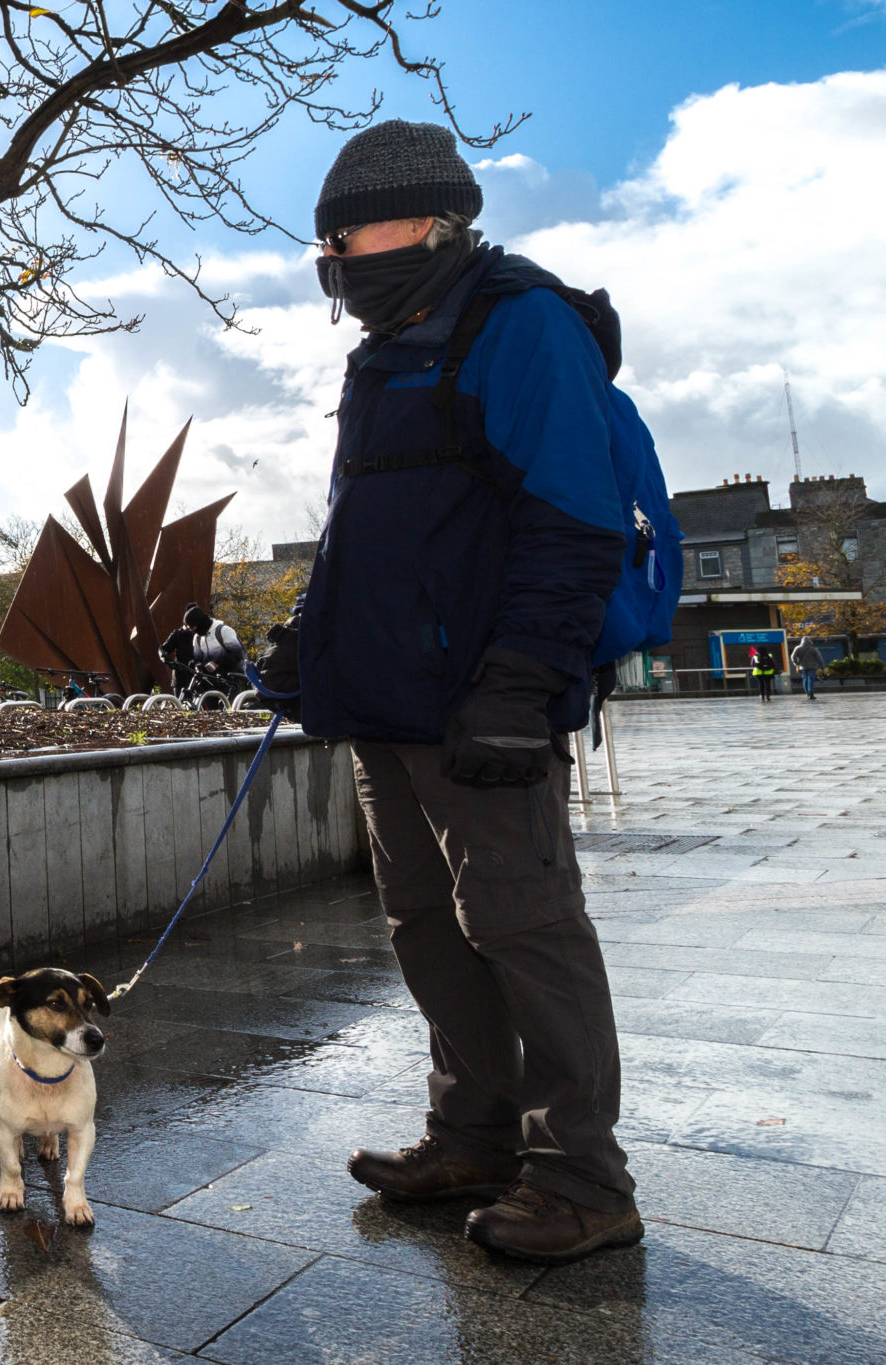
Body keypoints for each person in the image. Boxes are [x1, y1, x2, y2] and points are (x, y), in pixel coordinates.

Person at [252, 121, 641, 1265]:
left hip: (480, 705)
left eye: (345, 231)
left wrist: (520, 686)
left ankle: (580, 1179)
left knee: (524, 928)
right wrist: (303, 642)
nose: (331, 254)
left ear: (430, 221)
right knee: (425, 923)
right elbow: (366, 532)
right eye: (323, 239)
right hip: (380, 700)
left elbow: (572, 523)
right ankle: (471, 1135)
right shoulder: (380, 348)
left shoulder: (518, 323)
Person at [159, 603, 245, 702]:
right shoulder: (198, 638)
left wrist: (217, 663)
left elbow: (238, 653)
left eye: (194, 628)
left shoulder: (223, 631)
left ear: (201, 623)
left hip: (229, 681)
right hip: (210, 682)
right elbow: (198, 658)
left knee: (228, 710)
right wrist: (198, 666)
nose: (193, 631)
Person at [792, 637, 825, 701]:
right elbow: (819, 658)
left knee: (805, 679)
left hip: (802, 667)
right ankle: (811, 694)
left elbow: (793, 657)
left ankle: (807, 693)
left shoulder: (798, 648)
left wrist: (796, 664)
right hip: (812, 667)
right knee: (811, 679)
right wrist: (822, 667)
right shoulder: (814, 649)